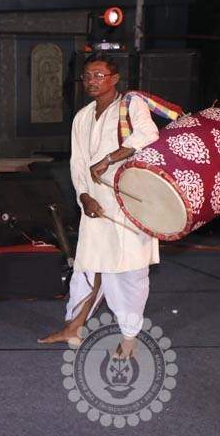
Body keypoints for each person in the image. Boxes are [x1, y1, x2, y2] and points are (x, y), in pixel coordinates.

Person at [38, 53, 160, 358]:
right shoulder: (82, 117)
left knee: (129, 272)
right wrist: (83, 196)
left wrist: (108, 159)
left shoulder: (131, 105)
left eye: (98, 75)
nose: (91, 81)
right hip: (94, 204)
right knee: (88, 266)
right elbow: (78, 163)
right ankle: (73, 326)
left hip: (130, 203)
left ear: (114, 79)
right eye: (87, 76)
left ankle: (129, 338)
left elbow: (149, 135)